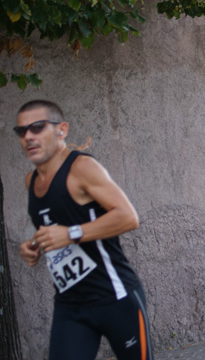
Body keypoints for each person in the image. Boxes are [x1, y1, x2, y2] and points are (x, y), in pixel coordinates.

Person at [15, 100, 153, 360]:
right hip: (70, 306)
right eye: (22, 131)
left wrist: (71, 234)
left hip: (116, 297)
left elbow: (128, 217)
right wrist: (34, 245)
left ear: (61, 130)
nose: (29, 137)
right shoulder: (30, 182)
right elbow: (57, 226)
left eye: (37, 127)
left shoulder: (82, 168)